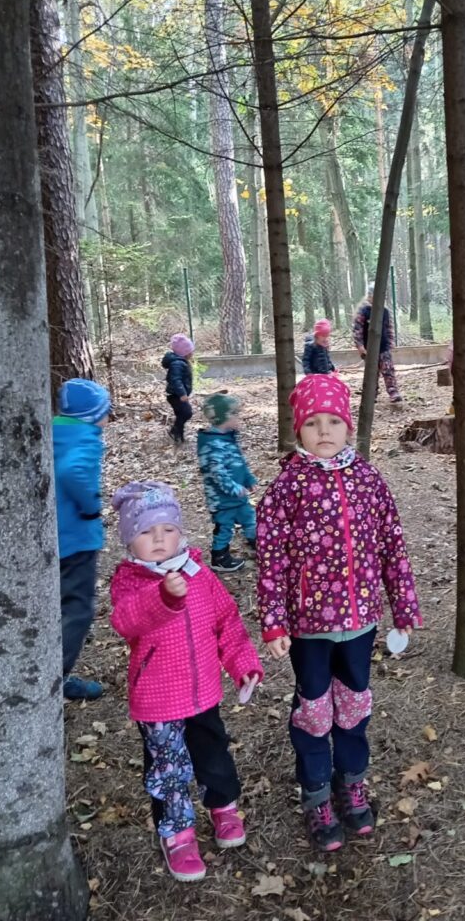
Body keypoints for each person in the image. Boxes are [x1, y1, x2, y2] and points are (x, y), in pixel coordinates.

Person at [256, 374, 421, 852]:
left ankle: (351, 782)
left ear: (348, 427)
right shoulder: (287, 486)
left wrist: (403, 605)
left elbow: (391, 544)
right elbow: (271, 559)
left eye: (333, 421)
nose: (324, 430)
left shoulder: (368, 479)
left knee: (353, 706)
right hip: (309, 627)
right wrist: (274, 621)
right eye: (313, 423)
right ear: (298, 429)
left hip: (360, 623)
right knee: (313, 710)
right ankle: (316, 794)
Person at [110, 481, 263, 882]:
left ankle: (223, 806)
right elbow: (125, 621)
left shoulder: (199, 573)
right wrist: (163, 596)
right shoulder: (130, 580)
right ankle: (177, 833)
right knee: (168, 767)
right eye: (146, 531)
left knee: (213, 751)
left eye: (168, 529)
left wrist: (242, 664)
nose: (159, 539)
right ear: (129, 540)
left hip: (204, 693)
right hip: (158, 701)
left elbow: (226, 621)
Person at [53, 379, 111, 701]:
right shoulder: (86, 438)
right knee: (78, 608)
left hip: (52, 539)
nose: (108, 417)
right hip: (76, 540)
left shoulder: (52, 431)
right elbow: (71, 471)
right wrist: (91, 507)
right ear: (93, 415)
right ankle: (55, 680)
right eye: (106, 411)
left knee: (55, 604)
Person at [197, 393, 257, 573]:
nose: (238, 418)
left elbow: (239, 463)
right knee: (224, 528)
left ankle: (258, 543)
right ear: (224, 417)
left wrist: (248, 479)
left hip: (239, 497)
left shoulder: (229, 438)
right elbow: (217, 473)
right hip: (222, 500)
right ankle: (220, 557)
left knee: (250, 518)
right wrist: (233, 488)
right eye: (235, 414)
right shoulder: (212, 444)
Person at [352, 283, 403, 403]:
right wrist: (360, 346)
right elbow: (357, 330)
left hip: (384, 347)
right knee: (372, 372)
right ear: (370, 296)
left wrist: (391, 343)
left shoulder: (385, 311)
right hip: (369, 349)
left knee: (388, 369)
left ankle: (393, 391)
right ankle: (371, 394)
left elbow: (389, 328)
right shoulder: (364, 311)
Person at [162, 333, 194, 443]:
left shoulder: (180, 362)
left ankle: (178, 436)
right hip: (175, 395)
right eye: (190, 351)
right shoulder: (177, 363)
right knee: (187, 413)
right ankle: (174, 431)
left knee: (181, 414)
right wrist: (182, 394)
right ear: (185, 352)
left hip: (176, 394)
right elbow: (175, 380)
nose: (192, 353)